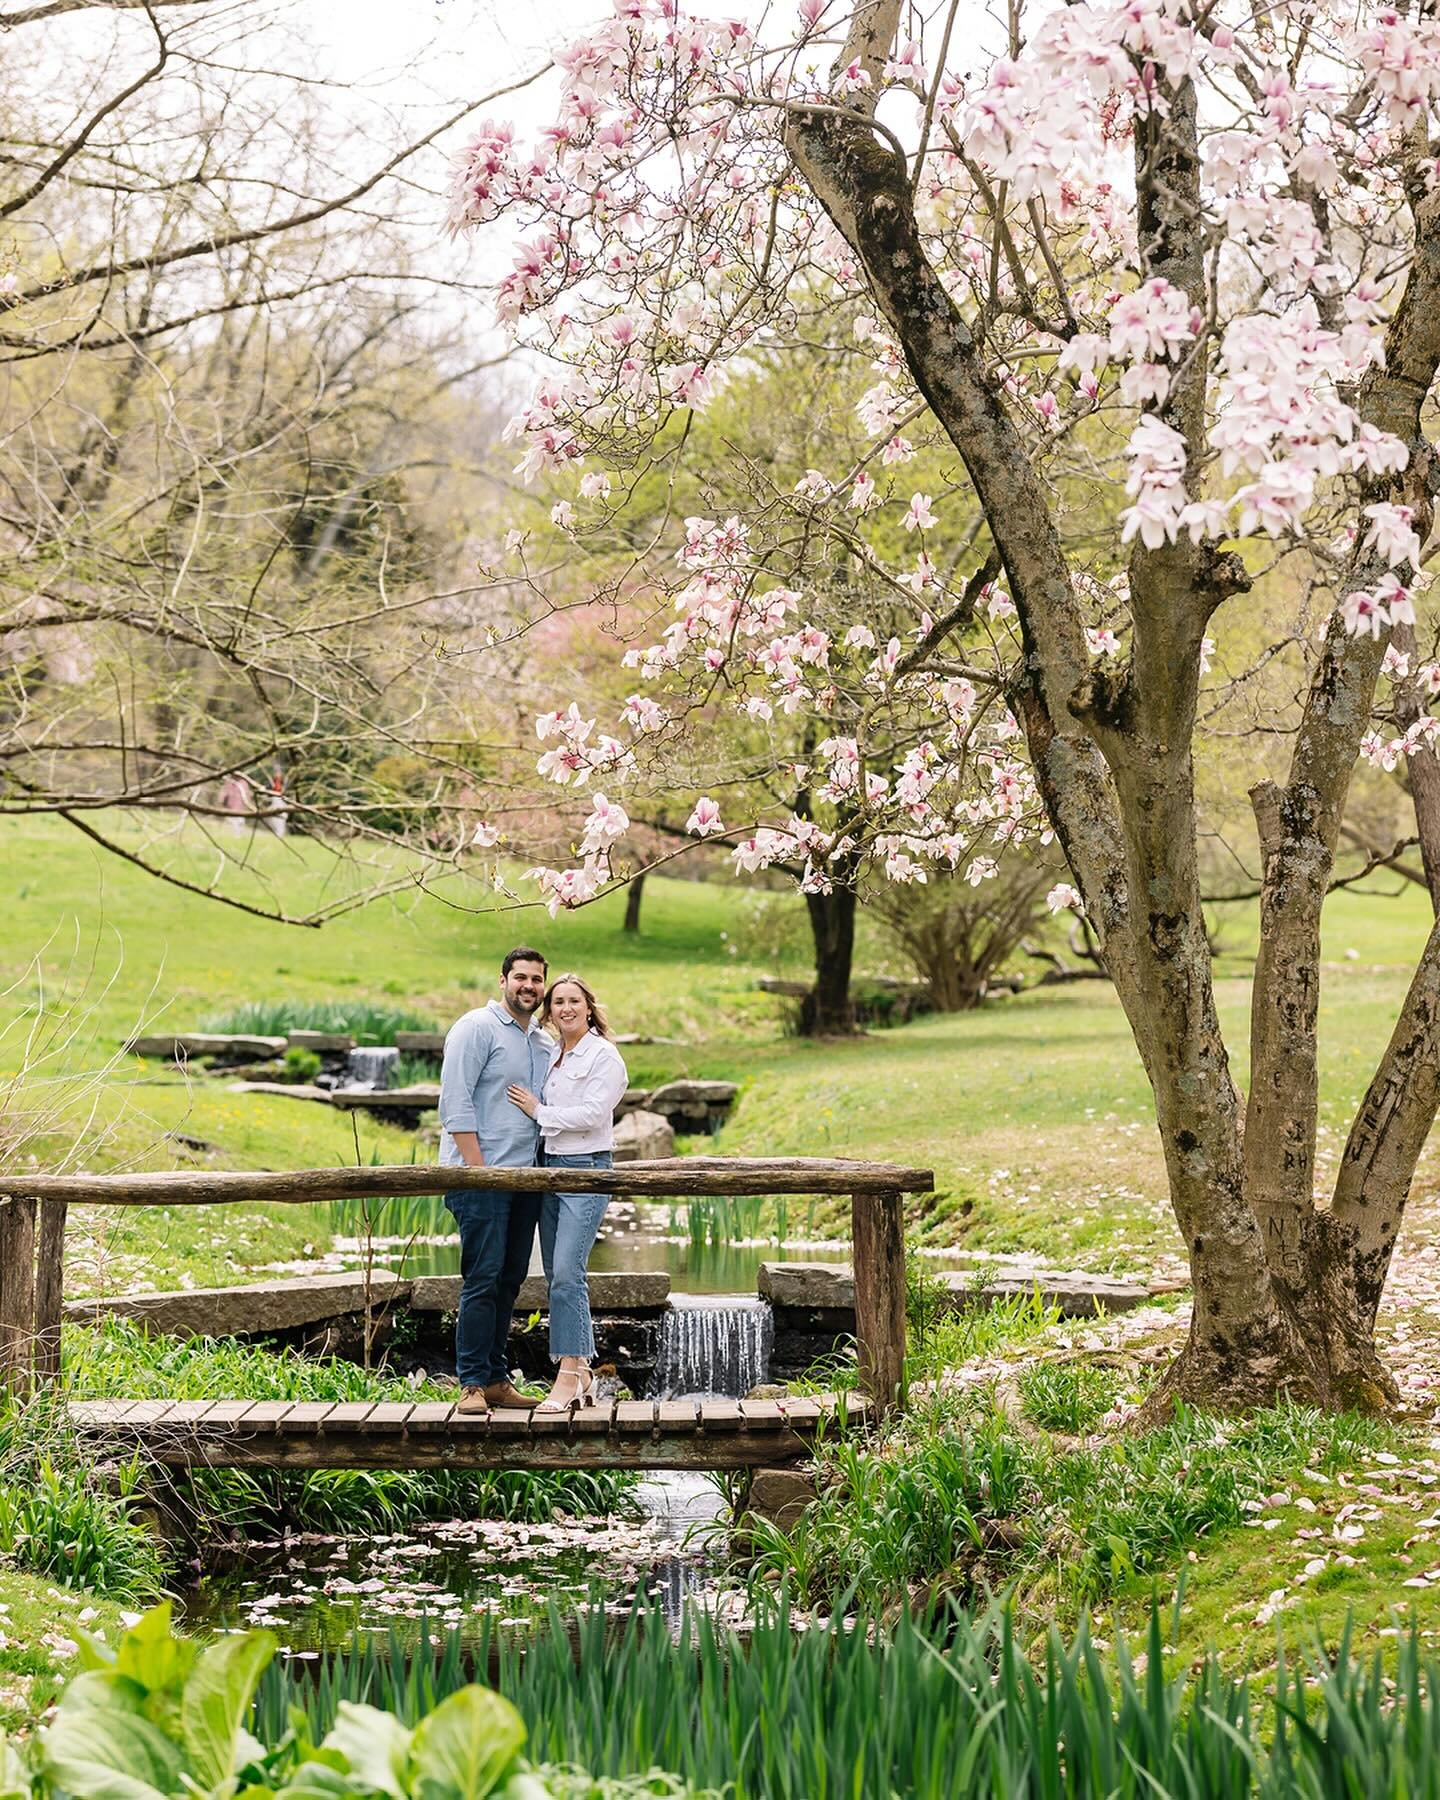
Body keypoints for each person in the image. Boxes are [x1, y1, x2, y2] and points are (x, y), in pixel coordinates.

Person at [438, 946, 555, 1415]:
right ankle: (469, 1382)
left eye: (536, 979)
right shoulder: (475, 1028)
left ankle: (495, 1379)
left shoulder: (541, 1042)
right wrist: (479, 1171)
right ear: (502, 979)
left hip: (524, 1179)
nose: (528, 986)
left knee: (511, 1279)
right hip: (479, 1176)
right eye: (520, 977)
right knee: (483, 1276)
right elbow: (455, 1104)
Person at [507, 972, 628, 1412]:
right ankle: (583, 1376)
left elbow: (595, 1113)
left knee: (566, 1272)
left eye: (574, 1000)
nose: (566, 1008)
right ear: (550, 1010)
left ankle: (568, 1376)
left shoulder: (604, 1056)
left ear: (589, 1006)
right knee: (559, 1276)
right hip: (548, 1169)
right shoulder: (552, 1051)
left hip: (586, 1169)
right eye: (557, 1002)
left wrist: (539, 1111)